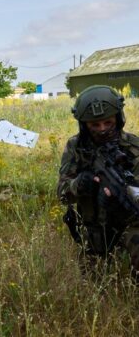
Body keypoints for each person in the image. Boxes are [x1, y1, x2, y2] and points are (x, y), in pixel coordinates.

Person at [57, 85, 139, 275]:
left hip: (131, 222)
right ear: (84, 125)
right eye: (94, 125)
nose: (102, 130)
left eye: (108, 123)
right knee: (91, 283)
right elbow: (62, 195)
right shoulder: (75, 147)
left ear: (118, 119)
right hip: (95, 228)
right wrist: (79, 184)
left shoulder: (134, 147)